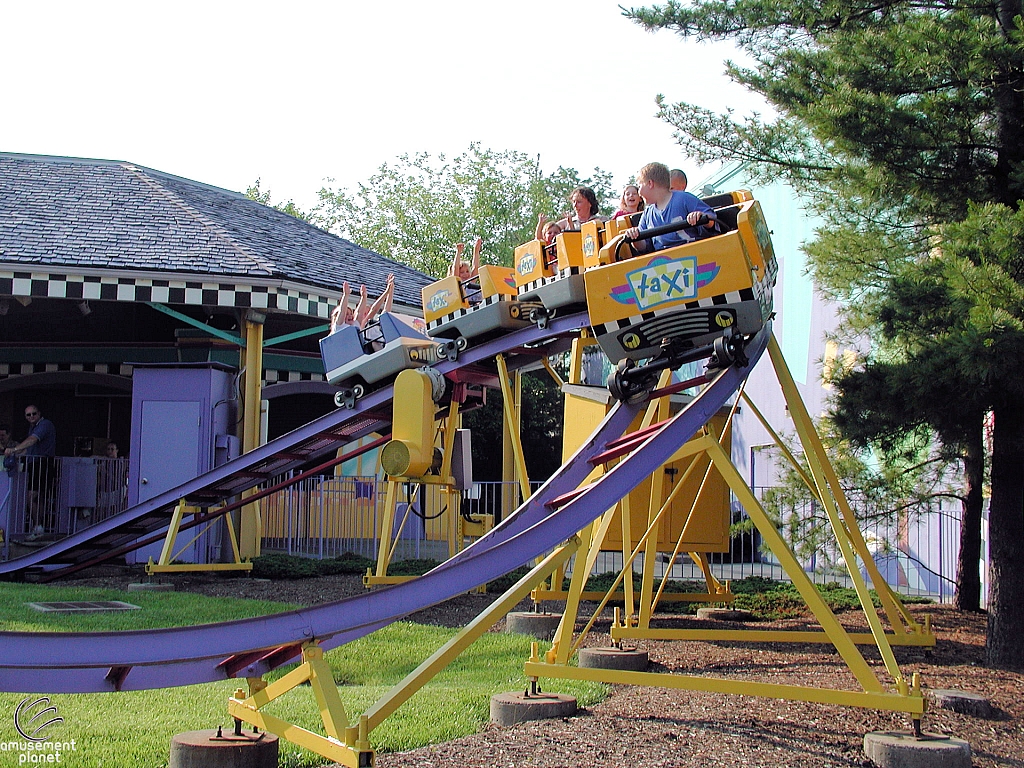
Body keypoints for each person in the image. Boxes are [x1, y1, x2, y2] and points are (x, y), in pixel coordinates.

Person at [623, 162, 718, 254]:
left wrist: (700, 216)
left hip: (694, 255)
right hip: (662, 263)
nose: (639, 192)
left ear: (650, 183)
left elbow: (711, 221)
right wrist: (634, 237)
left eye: (640, 186)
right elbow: (644, 247)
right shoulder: (648, 213)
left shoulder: (684, 198)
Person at [4, 405, 58, 536]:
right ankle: (38, 526)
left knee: (33, 496)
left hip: (42, 463)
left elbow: (32, 440)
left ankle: (38, 525)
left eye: (34, 413)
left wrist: (14, 449)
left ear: (39, 413)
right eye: (28, 415)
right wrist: (15, 453)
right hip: (33, 464)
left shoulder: (45, 424)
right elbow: (28, 449)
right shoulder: (32, 427)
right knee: (35, 497)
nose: (31, 416)